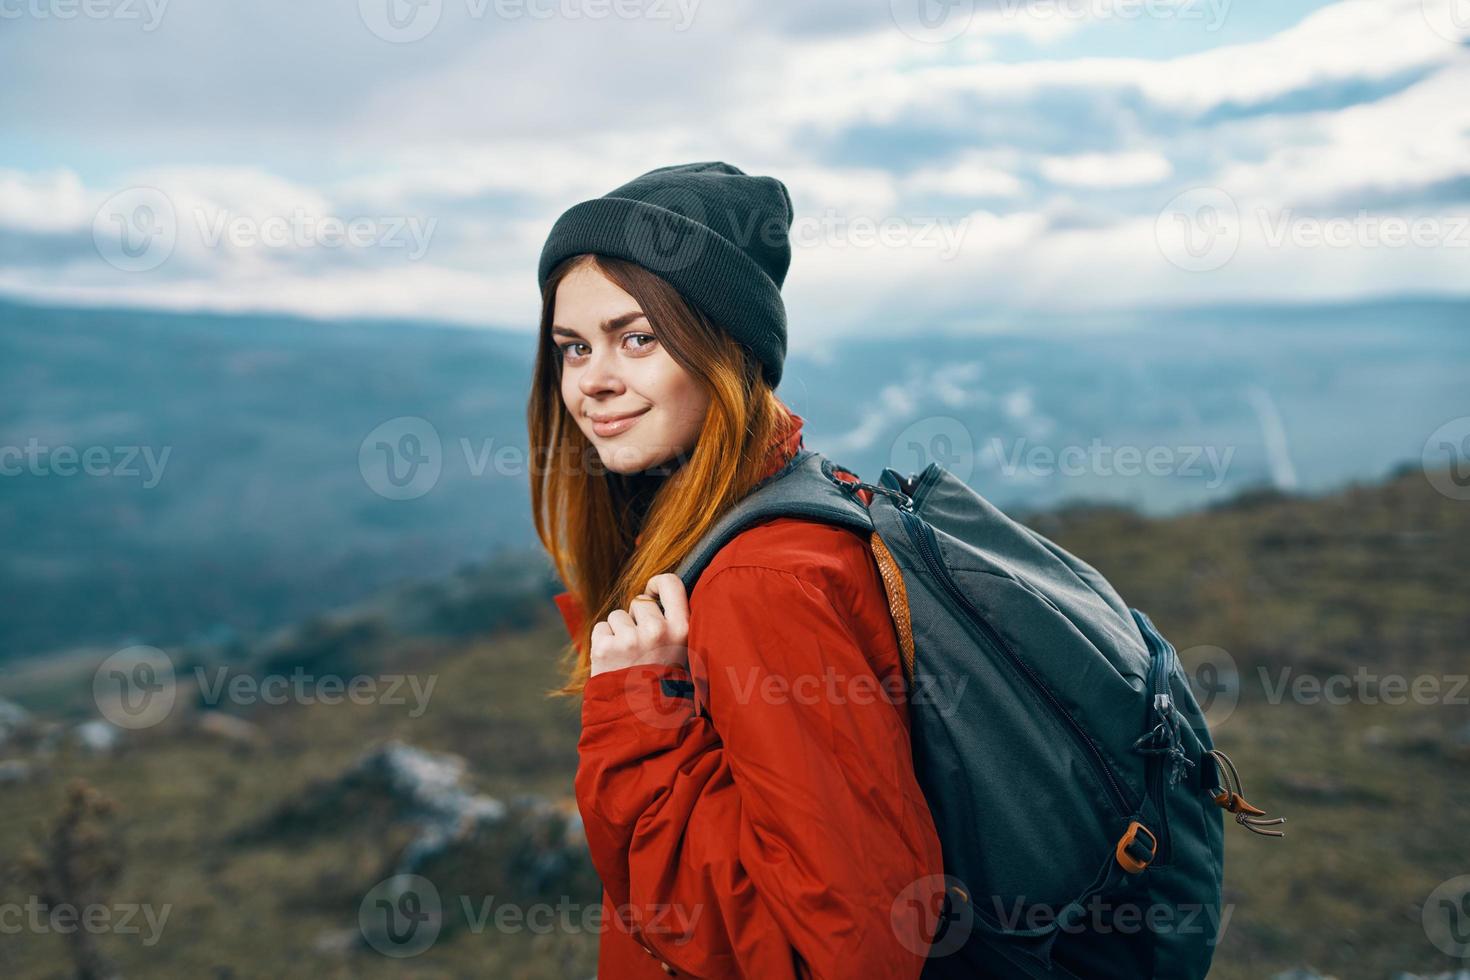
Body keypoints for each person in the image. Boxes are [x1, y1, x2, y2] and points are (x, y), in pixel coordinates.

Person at [529, 162, 948, 978]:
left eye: (637, 338)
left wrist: (641, 727)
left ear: (725, 347)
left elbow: (849, 951)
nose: (593, 382)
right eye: (573, 348)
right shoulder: (735, 532)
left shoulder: (766, 582)